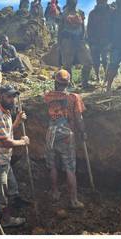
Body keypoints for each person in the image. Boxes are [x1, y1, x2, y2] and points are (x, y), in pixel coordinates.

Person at [0, 84, 28, 227]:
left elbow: (7, 132)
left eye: (14, 97)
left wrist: (18, 122)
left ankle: (7, 217)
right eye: (9, 97)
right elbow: (6, 142)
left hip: (4, 160)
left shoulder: (6, 112)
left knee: (11, 189)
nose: (13, 100)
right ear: (0, 96)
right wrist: (23, 142)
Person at [43, 70, 86, 209]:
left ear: (55, 82)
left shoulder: (48, 96)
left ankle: (55, 192)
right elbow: (79, 118)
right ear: (69, 82)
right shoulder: (74, 97)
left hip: (51, 132)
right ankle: (73, 201)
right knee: (69, 167)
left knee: (53, 166)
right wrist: (82, 132)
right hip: (66, 133)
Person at [58, 0, 92, 88]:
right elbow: (60, 28)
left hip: (79, 41)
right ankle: (69, 83)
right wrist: (59, 43)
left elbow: (83, 27)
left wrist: (83, 38)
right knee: (67, 64)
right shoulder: (63, 14)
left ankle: (85, 83)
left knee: (88, 62)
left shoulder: (80, 12)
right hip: (67, 40)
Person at [87, 0, 112, 83]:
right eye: (99, 1)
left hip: (107, 41)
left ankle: (107, 78)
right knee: (95, 61)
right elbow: (89, 29)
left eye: (103, 1)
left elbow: (114, 27)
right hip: (95, 42)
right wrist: (91, 42)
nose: (101, 3)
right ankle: (97, 77)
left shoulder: (111, 12)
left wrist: (111, 42)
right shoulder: (92, 13)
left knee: (106, 60)